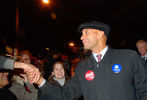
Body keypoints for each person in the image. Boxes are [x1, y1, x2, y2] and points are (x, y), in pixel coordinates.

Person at [30, 21, 147, 100]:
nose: (81, 37)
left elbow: (144, 90)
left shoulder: (129, 58)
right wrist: (40, 80)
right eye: (81, 34)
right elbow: (65, 94)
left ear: (100, 34)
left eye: (86, 32)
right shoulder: (82, 68)